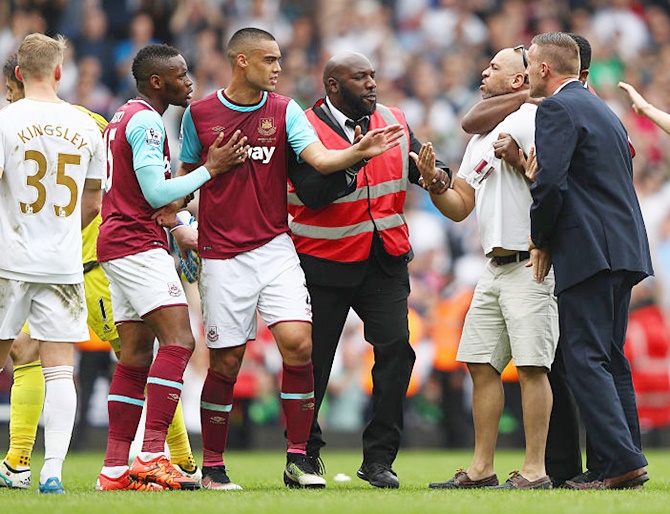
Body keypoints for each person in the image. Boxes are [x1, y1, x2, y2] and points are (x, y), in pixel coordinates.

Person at [174, 28, 403, 490]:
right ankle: (214, 467)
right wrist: (184, 223)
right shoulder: (199, 114)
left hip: (277, 246)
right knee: (226, 362)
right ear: (242, 61)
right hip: (222, 254)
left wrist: (355, 153)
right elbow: (184, 179)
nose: (279, 68)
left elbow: (318, 160)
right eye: (270, 60)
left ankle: (299, 460)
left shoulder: (284, 110)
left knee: (299, 345)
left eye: (279, 60)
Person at [0, 54, 201, 491]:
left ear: (17, 81)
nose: (9, 99)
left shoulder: (22, 121)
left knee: (124, 356)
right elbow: (117, 196)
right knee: (169, 343)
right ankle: (157, 456)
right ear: (57, 73)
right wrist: (205, 180)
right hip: (86, 261)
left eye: (9, 92)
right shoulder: (95, 122)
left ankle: (107, 466)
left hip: (65, 257)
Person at [285, 51, 450, 489]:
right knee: (313, 363)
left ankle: (378, 460)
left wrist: (439, 177)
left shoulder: (394, 118)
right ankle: (304, 455)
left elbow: (422, 169)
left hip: (384, 258)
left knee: (397, 352)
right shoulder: (304, 126)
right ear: (334, 86)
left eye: (374, 75)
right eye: (361, 78)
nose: (372, 84)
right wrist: (356, 157)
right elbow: (312, 193)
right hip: (323, 261)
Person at [95, 43, 243, 491]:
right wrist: (210, 169)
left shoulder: (123, 117)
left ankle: (115, 469)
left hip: (117, 241)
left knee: (136, 354)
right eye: (180, 75)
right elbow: (155, 194)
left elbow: (141, 193)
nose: (189, 80)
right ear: (157, 81)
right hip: (136, 243)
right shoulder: (146, 122)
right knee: (180, 340)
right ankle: (154, 454)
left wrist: (180, 219)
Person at [425, 46, 558, 490]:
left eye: (495, 67)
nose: (484, 71)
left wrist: (521, 162)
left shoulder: (534, 117)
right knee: (480, 363)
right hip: (493, 265)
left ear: (520, 80)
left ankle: (535, 468)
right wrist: (433, 184)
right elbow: (460, 205)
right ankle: (482, 468)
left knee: (531, 367)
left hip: (530, 260)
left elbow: (553, 180)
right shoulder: (480, 136)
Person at [526, 31, 652, 490]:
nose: (526, 72)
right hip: (624, 246)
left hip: (589, 249)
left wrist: (540, 238)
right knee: (610, 359)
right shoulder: (603, 108)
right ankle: (619, 459)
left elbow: (551, 183)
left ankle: (619, 461)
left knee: (583, 356)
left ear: (544, 68)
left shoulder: (556, 108)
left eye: (530, 62)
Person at [0, 33, 106, 494]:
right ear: (60, 72)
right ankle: (52, 471)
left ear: (19, 74)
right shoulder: (85, 126)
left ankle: (20, 464)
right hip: (63, 264)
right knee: (61, 367)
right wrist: (61, 231)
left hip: (10, 258)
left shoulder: (7, 121)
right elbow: (94, 199)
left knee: (13, 358)